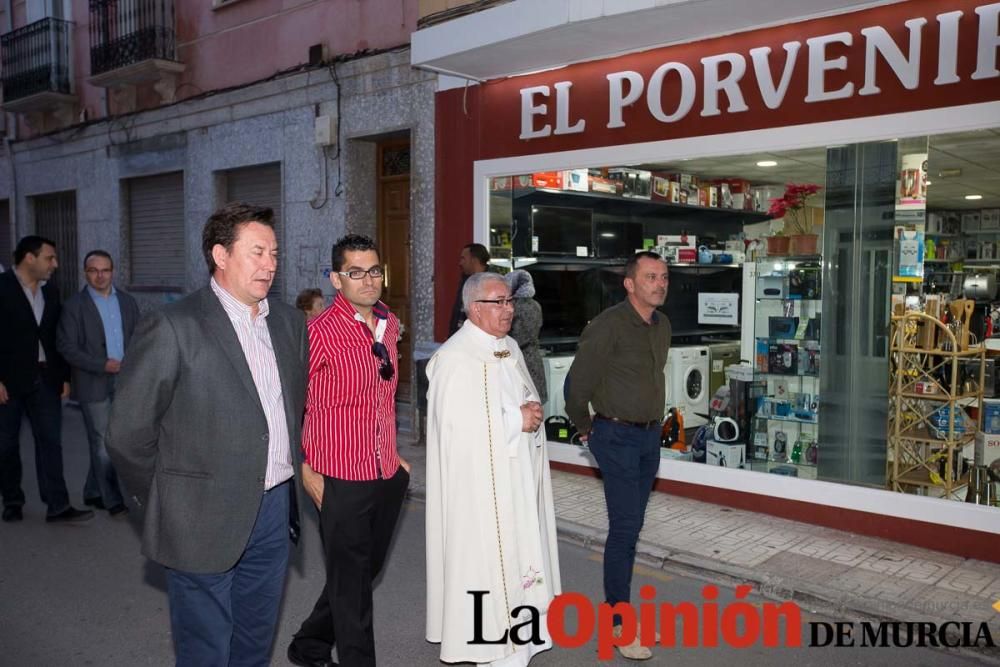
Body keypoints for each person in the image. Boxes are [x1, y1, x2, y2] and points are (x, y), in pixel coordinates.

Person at [106, 203, 308, 666]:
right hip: (199, 513)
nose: (271, 264)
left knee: (255, 639)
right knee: (205, 648)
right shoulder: (175, 325)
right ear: (220, 254)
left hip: (274, 507)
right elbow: (126, 433)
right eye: (257, 252)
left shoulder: (288, 323)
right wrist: (165, 498)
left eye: (274, 253)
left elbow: (289, 413)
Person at [426, 271, 561, 665]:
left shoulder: (510, 349)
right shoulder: (454, 358)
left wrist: (532, 412)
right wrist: (514, 421)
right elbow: (455, 432)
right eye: (498, 302)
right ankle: (491, 652)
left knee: (524, 562)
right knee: (486, 569)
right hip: (480, 494)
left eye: (509, 302)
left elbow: (522, 399)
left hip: (516, 480)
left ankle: (522, 643)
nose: (507, 310)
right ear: (473, 308)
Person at [287, 234, 410, 667]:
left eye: (374, 270)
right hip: (337, 475)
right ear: (337, 279)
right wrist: (303, 467)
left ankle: (309, 644)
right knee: (353, 585)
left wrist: (396, 460)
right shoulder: (317, 333)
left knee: (359, 574)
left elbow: (384, 396)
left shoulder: (389, 324)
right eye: (355, 272)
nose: (368, 280)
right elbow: (288, 402)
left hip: (384, 471)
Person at [565, 251, 670, 661]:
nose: (659, 284)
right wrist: (588, 430)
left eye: (663, 277)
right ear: (630, 283)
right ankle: (616, 626)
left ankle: (622, 615)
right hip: (615, 436)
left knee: (632, 527)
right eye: (650, 277)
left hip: (648, 439)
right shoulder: (607, 326)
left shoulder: (662, 326)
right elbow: (576, 386)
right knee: (625, 530)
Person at [0, 236, 92, 524]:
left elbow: (55, 337)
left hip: (45, 379)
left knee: (51, 442)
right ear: (29, 258)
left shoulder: (50, 291)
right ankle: (12, 500)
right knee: (6, 445)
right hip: (8, 381)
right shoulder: (1, 288)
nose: (55, 264)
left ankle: (57, 505)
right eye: (49, 258)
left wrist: (63, 377)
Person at [57, 250, 140, 516]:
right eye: (94, 270)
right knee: (103, 441)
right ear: (86, 273)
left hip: (124, 382)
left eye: (105, 270)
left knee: (108, 440)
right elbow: (66, 346)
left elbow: (139, 337)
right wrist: (102, 364)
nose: (100, 275)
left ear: (113, 271)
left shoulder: (127, 302)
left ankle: (93, 491)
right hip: (92, 382)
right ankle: (112, 498)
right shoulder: (73, 306)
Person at [504, 269, 548, 405]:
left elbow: (515, 337)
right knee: (536, 402)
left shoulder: (515, 306)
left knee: (522, 403)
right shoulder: (536, 305)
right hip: (534, 357)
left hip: (519, 359)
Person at [448, 242, 490, 335]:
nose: (460, 263)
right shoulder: (465, 281)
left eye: (463, 258)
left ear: (474, 260)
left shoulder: (492, 284)